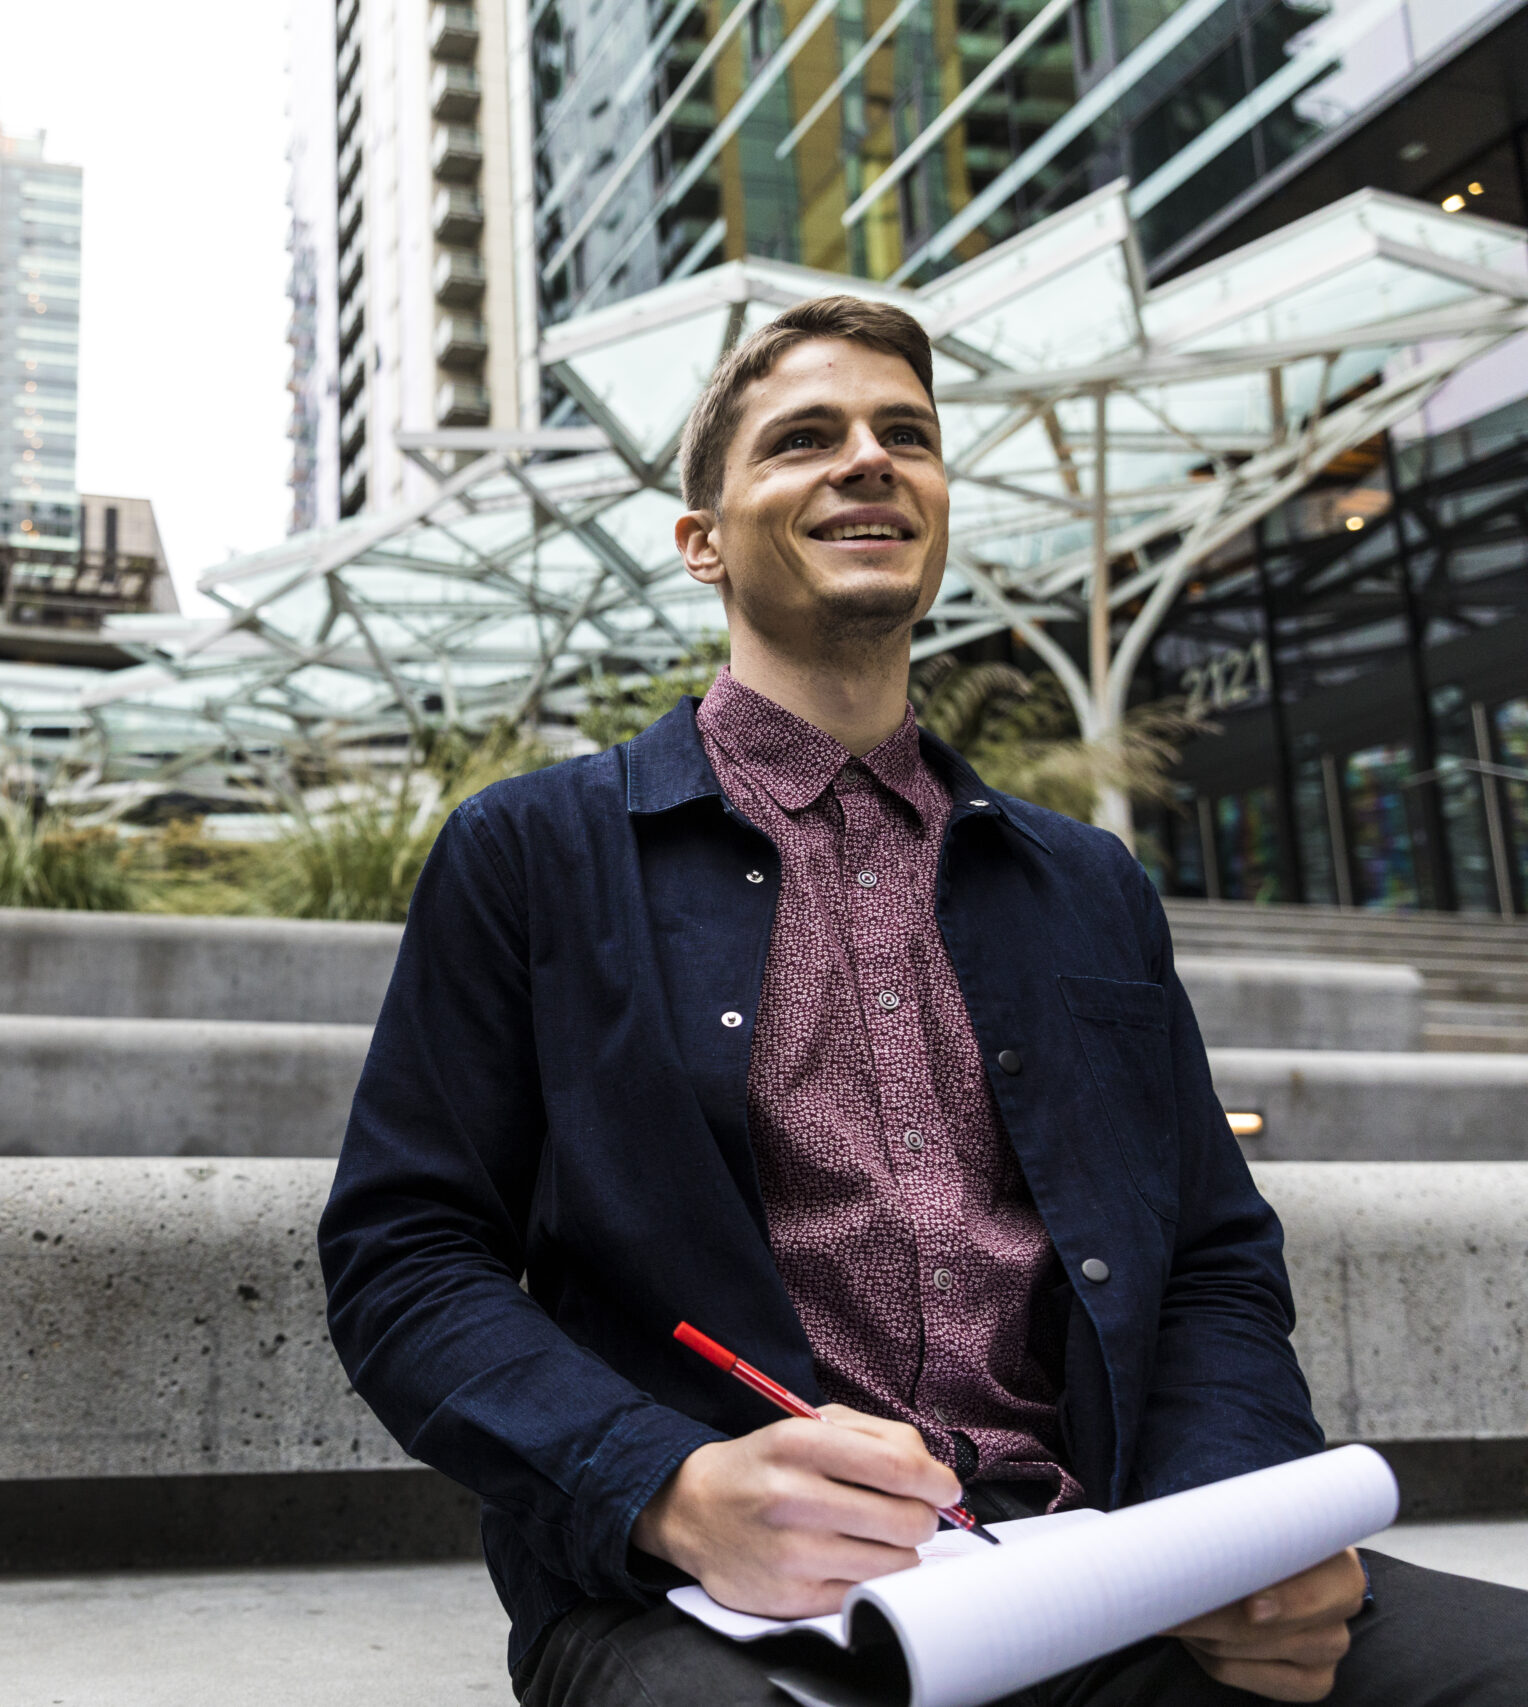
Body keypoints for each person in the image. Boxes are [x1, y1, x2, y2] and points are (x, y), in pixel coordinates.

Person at [317, 295, 1528, 1705]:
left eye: (907, 435)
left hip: (1113, 1555)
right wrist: (668, 1484)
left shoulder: (1087, 886)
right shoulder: (530, 856)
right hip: (718, 1608)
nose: (869, 460)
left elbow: (1206, 1253)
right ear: (701, 541)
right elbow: (406, 1258)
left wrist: (1233, 1521)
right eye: (804, 439)